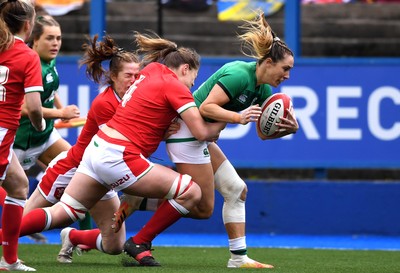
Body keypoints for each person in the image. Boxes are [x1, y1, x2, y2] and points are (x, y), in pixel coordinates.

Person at [5, 32, 225, 266]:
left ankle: (64, 236)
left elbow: (143, 119)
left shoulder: (151, 71)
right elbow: (202, 133)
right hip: (90, 162)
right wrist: (231, 116)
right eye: (194, 76)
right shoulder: (119, 98)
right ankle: (141, 241)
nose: (193, 83)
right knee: (191, 192)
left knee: (96, 233)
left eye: (134, 74)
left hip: (99, 154)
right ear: (184, 68)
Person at [113, 11, 299, 268]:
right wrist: (237, 116)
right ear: (268, 62)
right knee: (202, 207)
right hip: (187, 134)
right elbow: (206, 108)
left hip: (200, 138)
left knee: (236, 190)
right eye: (285, 68)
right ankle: (140, 238)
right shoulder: (239, 74)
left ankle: (238, 258)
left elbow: (261, 132)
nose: (287, 75)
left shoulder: (263, 89)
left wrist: (288, 128)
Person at [0, 34, 141, 262]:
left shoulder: (136, 100)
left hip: (103, 175)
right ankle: (8, 257)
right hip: (73, 169)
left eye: (137, 75)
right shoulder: (106, 103)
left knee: (114, 245)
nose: (134, 80)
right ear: (113, 76)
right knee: (23, 221)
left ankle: (72, 236)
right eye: (128, 75)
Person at [0, 13, 81, 244]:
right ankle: (22, 223)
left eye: (58, 38)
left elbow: (50, 90)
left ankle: (74, 237)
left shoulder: (49, 61)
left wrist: (61, 108)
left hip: (43, 137)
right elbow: (27, 107)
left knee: (80, 169)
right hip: (18, 139)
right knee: (16, 190)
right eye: (49, 38)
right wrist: (60, 114)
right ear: (34, 39)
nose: (55, 43)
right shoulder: (28, 60)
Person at [0, 0, 45, 271]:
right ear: (28, 25)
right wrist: (39, 126)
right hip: (2, 132)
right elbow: (34, 107)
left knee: (18, 186)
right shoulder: (27, 56)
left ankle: (10, 261)